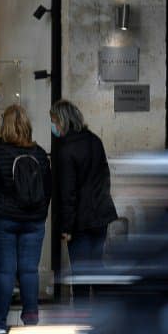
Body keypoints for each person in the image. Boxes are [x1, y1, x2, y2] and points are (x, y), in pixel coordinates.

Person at [0, 105, 51, 334]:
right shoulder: (39, 153)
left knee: (5, 271)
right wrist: (40, 213)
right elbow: (47, 188)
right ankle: (30, 318)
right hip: (34, 221)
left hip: (2, 220)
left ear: (5, 125)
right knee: (29, 270)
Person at [50, 100, 118, 306]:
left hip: (79, 221)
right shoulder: (95, 140)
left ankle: (81, 317)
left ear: (62, 120)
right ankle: (104, 311)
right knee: (96, 267)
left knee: (80, 271)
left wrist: (66, 227)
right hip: (101, 216)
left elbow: (68, 192)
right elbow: (105, 177)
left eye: (53, 121)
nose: (53, 126)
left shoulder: (65, 149)